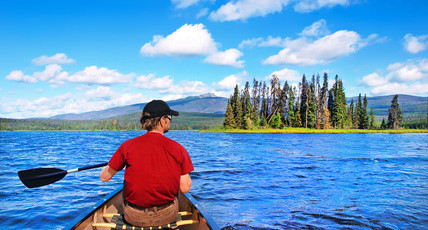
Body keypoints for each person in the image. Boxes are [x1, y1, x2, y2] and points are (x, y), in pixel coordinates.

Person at [100, 100, 194, 227]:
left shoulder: (127, 146)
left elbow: (104, 177)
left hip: (134, 216)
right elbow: (185, 188)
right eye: (169, 117)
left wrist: (113, 163)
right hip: (166, 215)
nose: (170, 121)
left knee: (125, 185)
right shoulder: (178, 149)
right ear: (162, 120)